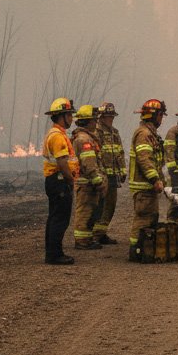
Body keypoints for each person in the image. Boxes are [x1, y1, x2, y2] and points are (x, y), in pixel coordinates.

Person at [128, 98, 168, 262]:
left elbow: (156, 161)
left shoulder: (150, 134)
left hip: (148, 186)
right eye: (160, 115)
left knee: (150, 218)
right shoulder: (144, 134)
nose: (161, 119)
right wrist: (155, 180)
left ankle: (144, 250)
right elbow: (145, 160)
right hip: (144, 186)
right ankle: (136, 251)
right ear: (154, 116)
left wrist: (162, 179)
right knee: (143, 220)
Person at [42, 97, 79, 265]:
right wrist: (70, 180)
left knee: (54, 217)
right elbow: (62, 162)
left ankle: (52, 252)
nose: (71, 118)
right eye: (69, 115)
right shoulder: (57, 136)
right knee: (60, 219)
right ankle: (55, 255)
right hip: (59, 182)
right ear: (61, 116)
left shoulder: (56, 134)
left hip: (54, 181)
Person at [71, 105, 108, 250]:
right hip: (87, 183)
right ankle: (82, 241)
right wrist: (98, 180)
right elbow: (89, 163)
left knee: (89, 211)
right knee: (84, 212)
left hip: (88, 182)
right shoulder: (84, 139)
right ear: (87, 121)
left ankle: (87, 238)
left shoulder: (86, 137)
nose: (96, 123)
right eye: (94, 120)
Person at [92, 102, 125, 244]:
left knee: (110, 205)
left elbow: (120, 152)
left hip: (113, 175)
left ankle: (101, 233)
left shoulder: (114, 132)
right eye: (108, 116)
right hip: (102, 175)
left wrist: (122, 170)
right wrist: (97, 174)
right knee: (99, 205)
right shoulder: (96, 132)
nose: (110, 119)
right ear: (101, 117)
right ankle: (94, 234)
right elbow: (94, 155)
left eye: (112, 116)